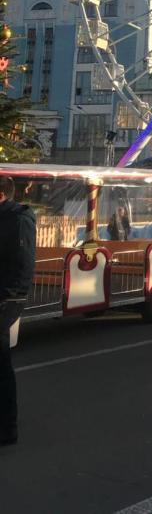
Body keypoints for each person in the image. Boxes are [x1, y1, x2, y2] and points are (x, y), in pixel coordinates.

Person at [0, 175, 36, 446]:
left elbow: (22, 263)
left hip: (6, 298)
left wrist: (11, 296)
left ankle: (8, 427)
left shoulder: (18, 220)